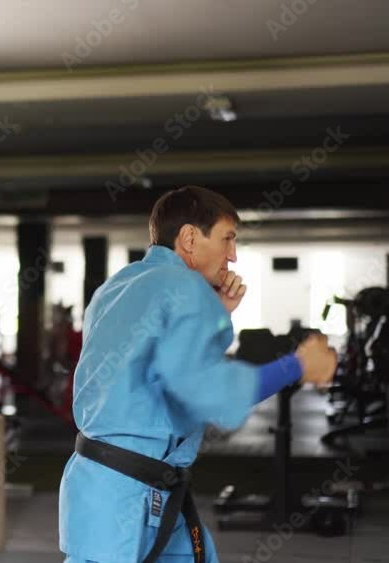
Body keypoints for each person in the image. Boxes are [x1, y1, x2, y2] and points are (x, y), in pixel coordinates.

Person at [58, 186, 337, 562]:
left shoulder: (118, 287)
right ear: (189, 237)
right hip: (125, 498)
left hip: (117, 488)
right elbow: (210, 393)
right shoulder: (184, 289)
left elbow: (162, 370)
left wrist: (214, 313)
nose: (233, 256)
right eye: (227, 239)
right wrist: (299, 365)